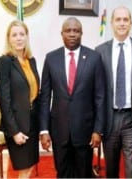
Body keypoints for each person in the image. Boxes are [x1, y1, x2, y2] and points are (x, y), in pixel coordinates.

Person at [39, 17, 106, 178]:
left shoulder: (94, 58)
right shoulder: (51, 58)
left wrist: (98, 129)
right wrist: (44, 130)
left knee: (84, 174)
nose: (72, 34)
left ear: (81, 33)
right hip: (59, 131)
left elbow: (100, 96)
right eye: (68, 31)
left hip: (85, 132)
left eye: (76, 31)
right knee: (62, 173)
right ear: (61, 34)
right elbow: (45, 96)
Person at [95, 6, 132, 178]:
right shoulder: (100, 51)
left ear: (131, 23)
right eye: (118, 19)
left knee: (131, 169)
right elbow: (97, 90)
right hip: (110, 118)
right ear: (112, 23)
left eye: (125, 19)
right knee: (111, 169)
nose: (121, 23)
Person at [0, 20, 40, 178]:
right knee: (23, 169)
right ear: (9, 39)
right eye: (14, 35)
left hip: (32, 125)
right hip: (18, 127)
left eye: (22, 34)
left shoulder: (31, 61)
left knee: (29, 168)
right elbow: (4, 100)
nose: (19, 38)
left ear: (27, 37)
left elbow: (36, 95)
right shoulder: (4, 62)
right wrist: (14, 131)